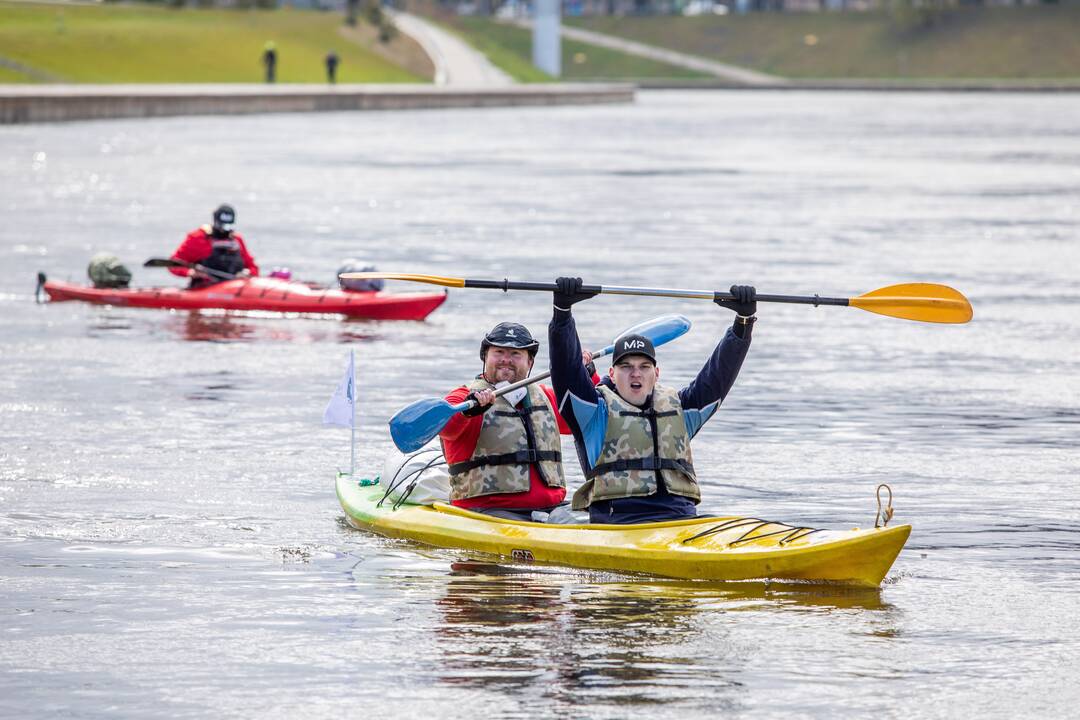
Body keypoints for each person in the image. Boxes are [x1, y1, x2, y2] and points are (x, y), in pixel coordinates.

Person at [548, 277, 756, 525]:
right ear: (612, 374)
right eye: (626, 366)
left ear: (656, 374)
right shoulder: (593, 414)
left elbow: (719, 375)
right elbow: (566, 370)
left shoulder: (682, 409)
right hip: (619, 524)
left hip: (680, 520)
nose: (636, 373)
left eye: (644, 366)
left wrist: (742, 324)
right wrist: (563, 315)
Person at [439, 322, 596, 522]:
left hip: (552, 509)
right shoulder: (462, 398)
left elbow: (589, 418)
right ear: (485, 356)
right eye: (499, 352)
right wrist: (469, 411)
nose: (506, 360)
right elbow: (445, 428)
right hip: (486, 513)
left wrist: (584, 378)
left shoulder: (547, 396)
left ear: (530, 362)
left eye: (515, 354)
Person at [169, 204, 259, 288]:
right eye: (222, 226)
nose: (225, 230)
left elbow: (253, 268)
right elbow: (173, 264)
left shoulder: (237, 240)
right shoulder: (198, 238)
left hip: (234, 289)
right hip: (205, 289)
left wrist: (247, 273)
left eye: (229, 226)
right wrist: (191, 272)